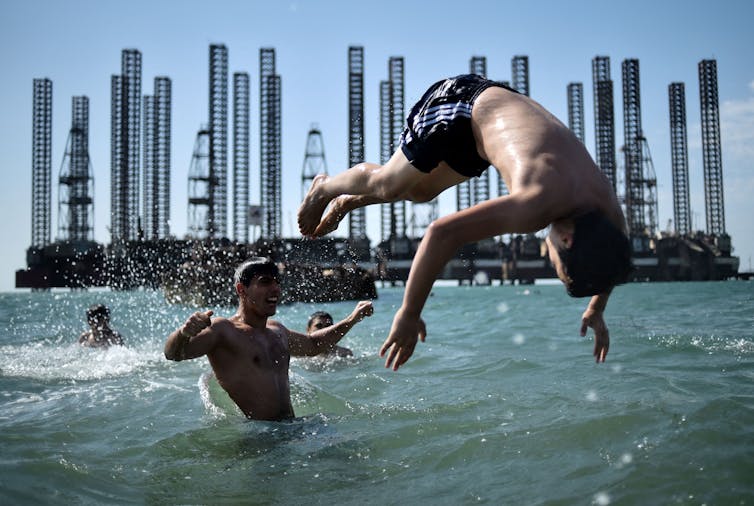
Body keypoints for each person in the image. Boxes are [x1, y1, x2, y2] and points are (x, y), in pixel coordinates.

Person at [298, 74, 632, 371]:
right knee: (390, 183)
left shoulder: (605, 210)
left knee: (421, 192)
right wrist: (409, 314)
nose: (549, 257)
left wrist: (597, 308)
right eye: (557, 265)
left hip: (489, 122)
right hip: (463, 103)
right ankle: (326, 187)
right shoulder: (536, 206)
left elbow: (614, 251)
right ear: (568, 241)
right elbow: (443, 233)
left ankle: (348, 201)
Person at [163, 257, 374, 421]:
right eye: (265, 282)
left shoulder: (277, 330)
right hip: (259, 436)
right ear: (241, 289)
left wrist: (352, 319)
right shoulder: (223, 330)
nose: (275, 289)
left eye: (277, 282)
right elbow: (173, 354)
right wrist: (183, 333)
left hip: (292, 428)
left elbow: (313, 345)